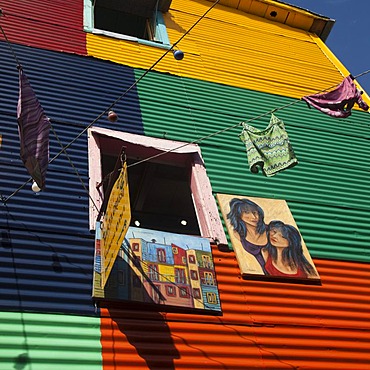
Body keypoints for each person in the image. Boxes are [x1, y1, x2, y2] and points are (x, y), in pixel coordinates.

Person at [227, 198, 268, 273]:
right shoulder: (238, 234)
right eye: (246, 212)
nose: (253, 217)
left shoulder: (271, 230)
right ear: (238, 215)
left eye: (255, 212)